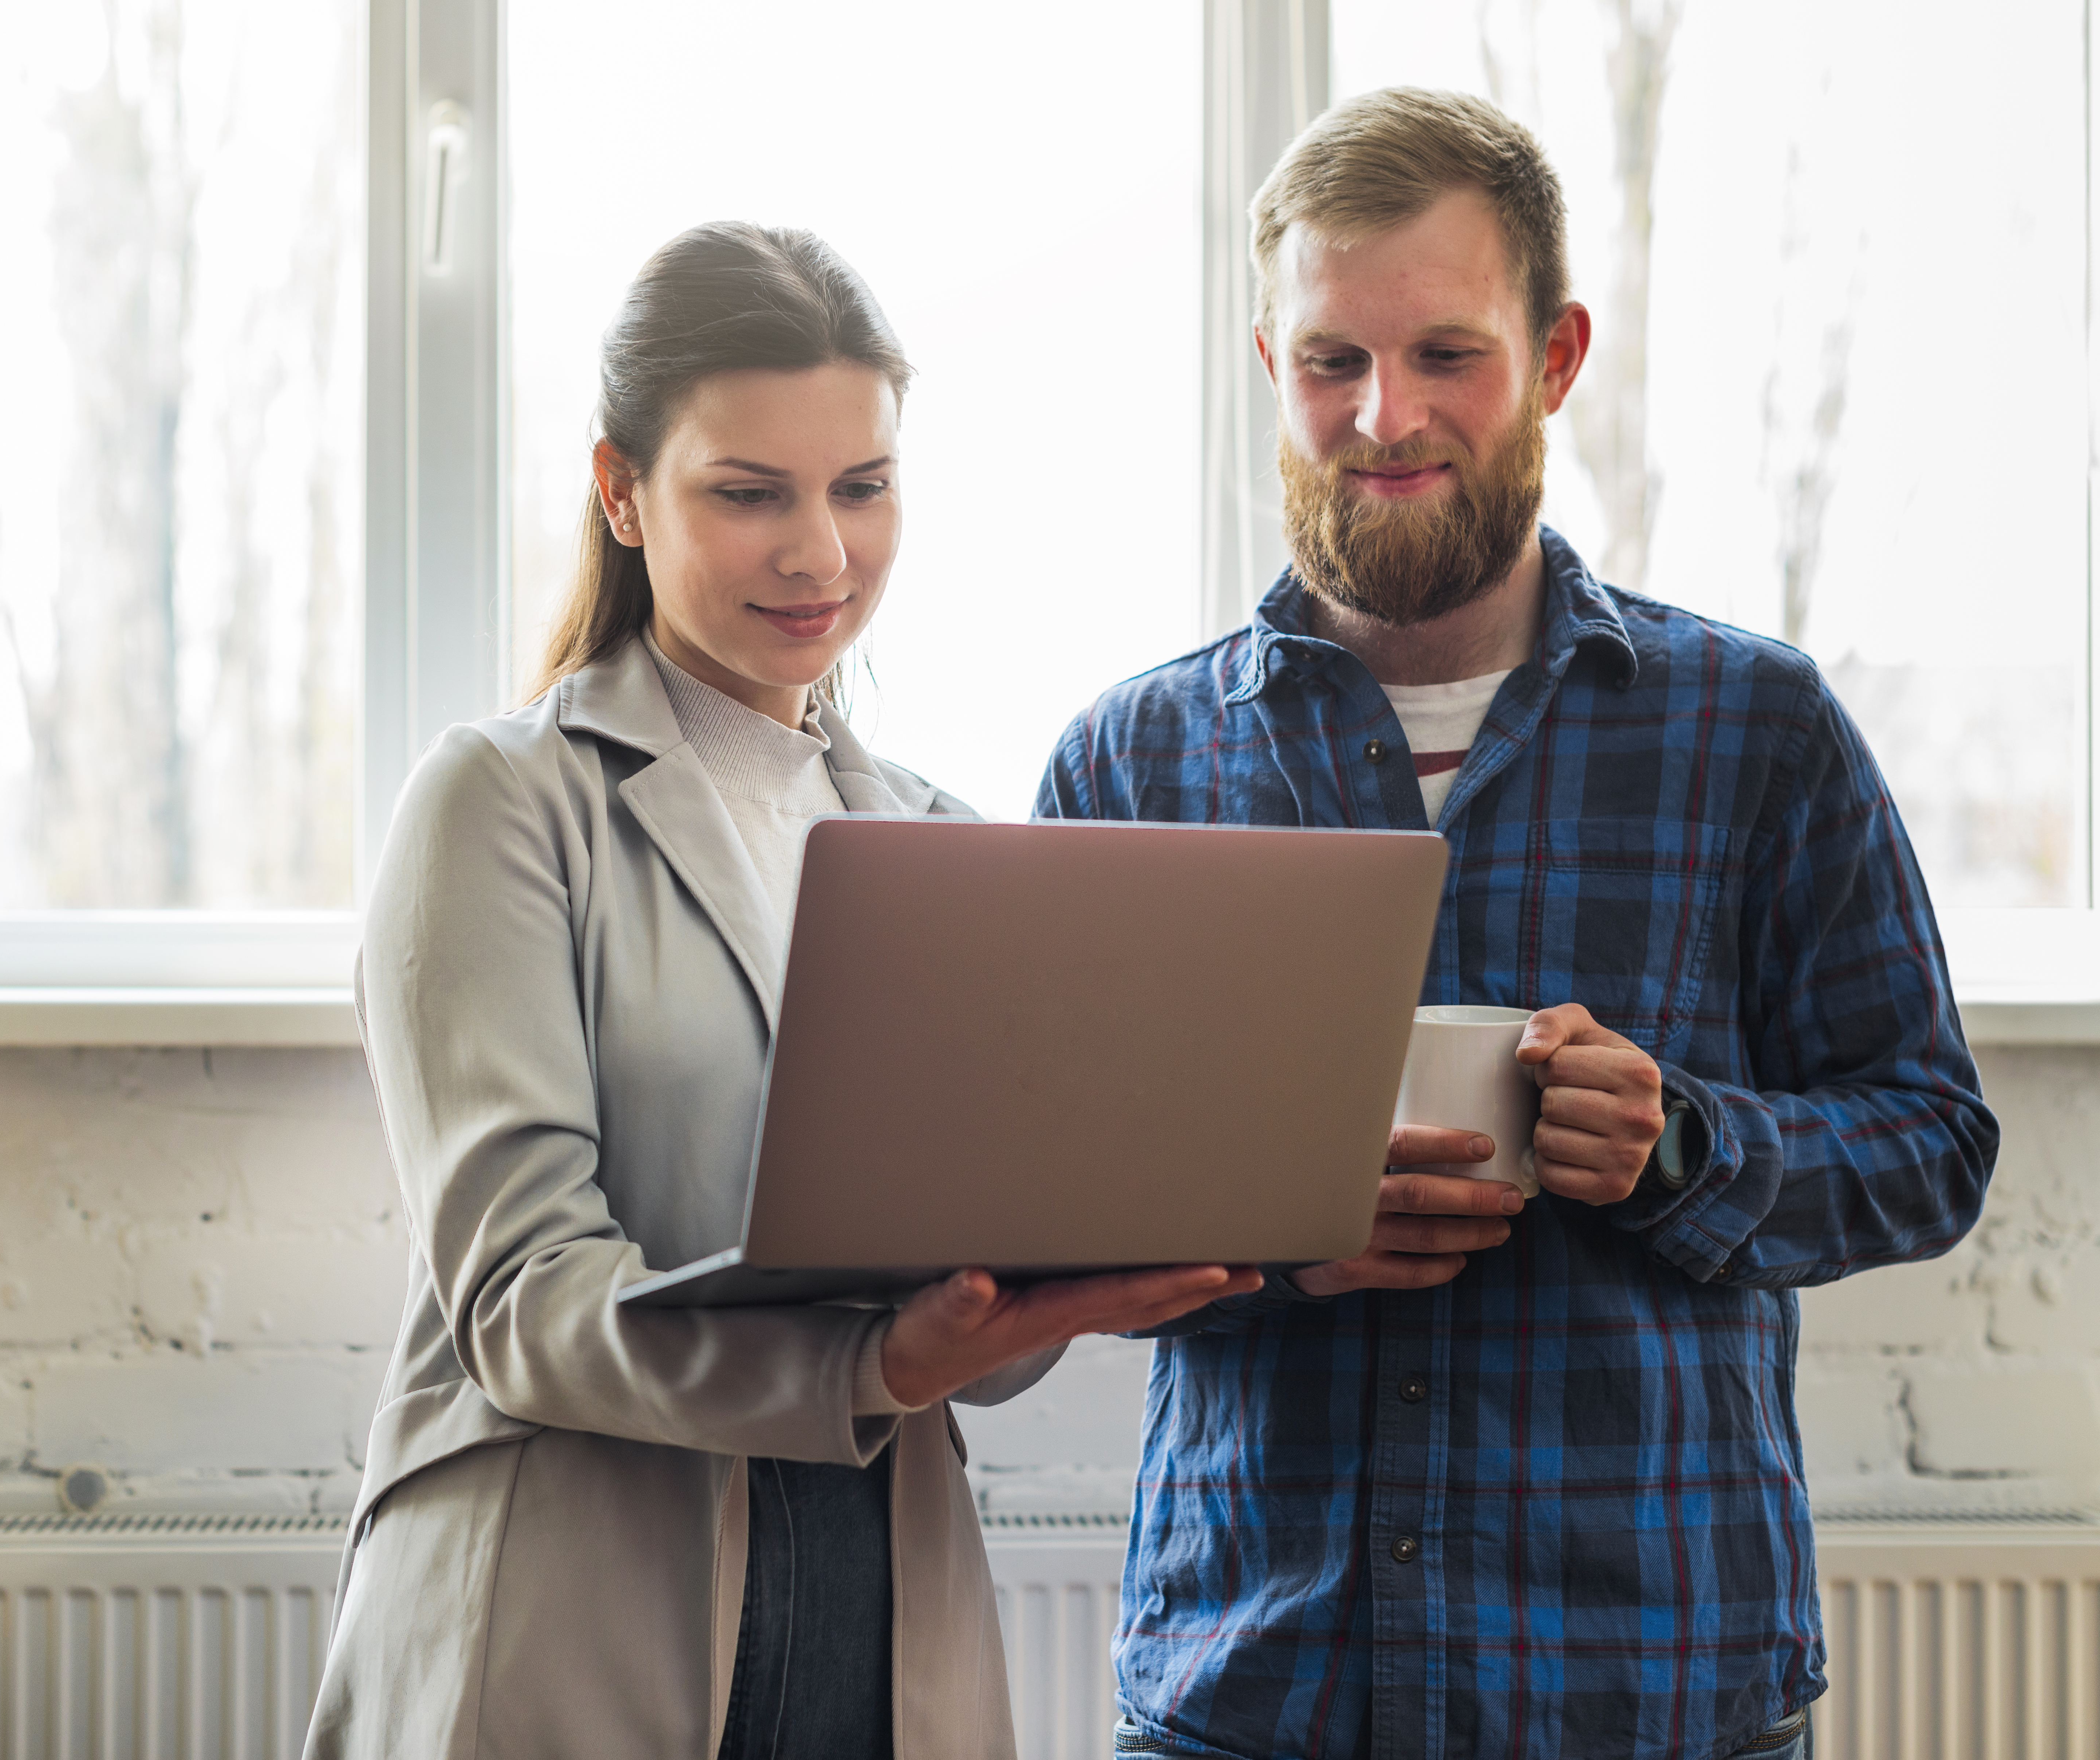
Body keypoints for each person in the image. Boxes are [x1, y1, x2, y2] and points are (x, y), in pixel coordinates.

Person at [1038, 91, 1997, 1760]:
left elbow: (1931, 1143)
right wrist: (1277, 1244)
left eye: (1446, 357)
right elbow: (1039, 1211)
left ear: (1554, 357)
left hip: (1651, 1687)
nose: (1382, 416)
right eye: (1332, 359)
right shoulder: (1136, 760)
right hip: (1255, 1692)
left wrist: (1684, 1148)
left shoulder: (1754, 730)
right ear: (1268, 359)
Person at [302, 222, 1258, 1760]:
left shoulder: (940, 845)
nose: (819, 553)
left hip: (883, 1608)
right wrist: (872, 1363)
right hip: (580, 1611)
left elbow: (969, 1322)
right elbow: (523, 1303)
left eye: (862, 487)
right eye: (750, 494)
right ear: (620, 491)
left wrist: (1056, 1288)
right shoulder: (502, 804)